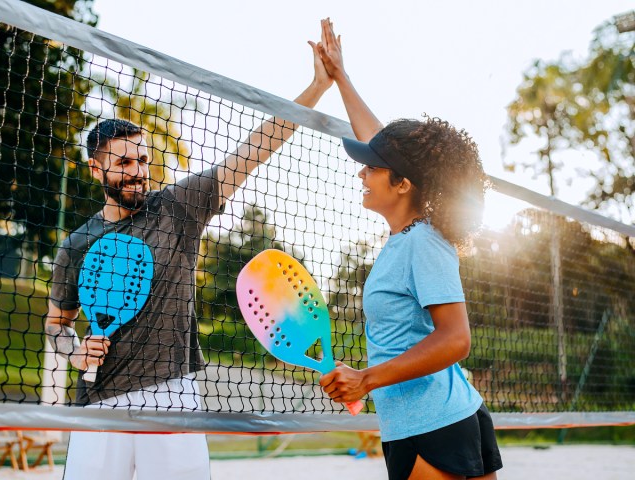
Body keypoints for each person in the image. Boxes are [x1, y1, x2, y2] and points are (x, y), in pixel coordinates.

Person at [45, 41, 334, 480]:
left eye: (143, 159)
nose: (138, 170)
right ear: (96, 170)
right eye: (123, 162)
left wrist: (316, 88)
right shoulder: (76, 245)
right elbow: (56, 325)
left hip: (172, 395)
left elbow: (252, 151)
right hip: (99, 404)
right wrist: (76, 351)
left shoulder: (177, 208)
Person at [315, 19, 503, 480]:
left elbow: (456, 338)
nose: (361, 173)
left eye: (371, 168)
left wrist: (367, 378)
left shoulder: (422, 241)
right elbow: (382, 142)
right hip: (439, 418)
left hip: (431, 427)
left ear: (401, 183)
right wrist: (341, 77)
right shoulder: (408, 234)